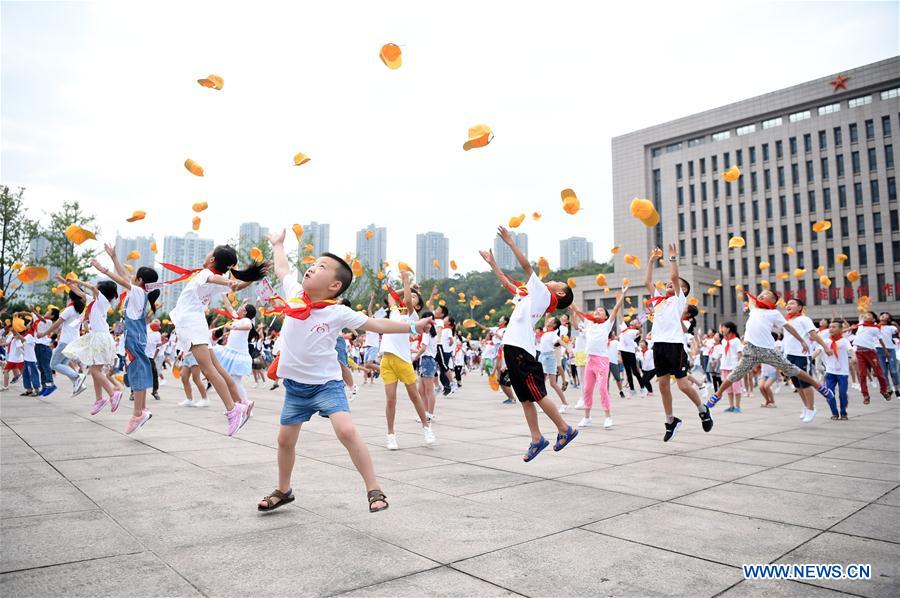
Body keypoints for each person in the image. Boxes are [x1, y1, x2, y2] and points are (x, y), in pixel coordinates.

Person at [256, 229, 435, 513]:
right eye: (314, 264)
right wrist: (278, 244)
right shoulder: (295, 295)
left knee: (346, 430)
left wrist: (412, 326)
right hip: (296, 387)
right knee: (284, 440)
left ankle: (374, 488)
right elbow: (282, 268)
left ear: (334, 285)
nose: (311, 267)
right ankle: (283, 490)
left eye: (321, 267)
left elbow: (377, 324)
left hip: (326, 385)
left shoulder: (337, 312)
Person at [479, 225, 577, 462]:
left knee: (538, 395)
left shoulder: (544, 294)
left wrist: (511, 243)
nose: (553, 279)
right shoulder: (531, 296)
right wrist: (493, 263)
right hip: (513, 348)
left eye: (557, 282)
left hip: (521, 350)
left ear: (560, 294)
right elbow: (507, 284)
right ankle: (536, 439)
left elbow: (526, 267)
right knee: (525, 398)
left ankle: (565, 429)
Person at [166, 245, 269, 435]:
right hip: (197, 324)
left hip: (192, 324)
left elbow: (215, 278)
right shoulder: (215, 277)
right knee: (217, 369)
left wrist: (230, 281)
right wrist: (252, 276)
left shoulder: (206, 274)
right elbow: (236, 286)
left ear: (212, 259)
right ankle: (240, 403)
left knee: (209, 370)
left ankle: (233, 410)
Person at [707, 289, 835, 409]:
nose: (762, 294)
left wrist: (801, 340)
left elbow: (788, 327)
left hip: (768, 350)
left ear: (773, 300)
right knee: (735, 374)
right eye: (761, 293)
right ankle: (718, 394)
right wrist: (747, 295)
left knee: (792, 369)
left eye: (766, 293)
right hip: (750, 351)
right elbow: (751, 299)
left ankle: (819, 387)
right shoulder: (754, 309)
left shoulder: (774, 313)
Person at [644, 245, 713, 442]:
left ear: (682, 290)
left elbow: (674, 276)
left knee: (683, 385)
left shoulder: (678, 299)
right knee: (663, 386)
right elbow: (647, 282)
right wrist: (651, 261)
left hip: (674, 346)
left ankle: (702, 409)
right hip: (658, 346)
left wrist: (673, 258)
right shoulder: (658, 300)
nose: (669, 284)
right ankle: (670, 420)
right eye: (667, 284)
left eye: (673, 284)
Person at [91, 246, 159, 433]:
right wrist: (114, 257)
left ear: (140, 280)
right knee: (140, 371)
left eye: (135, 276)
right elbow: (124, 275)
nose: (131, 277)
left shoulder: (137, 292)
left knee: (137, 372)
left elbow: (121, 279)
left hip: (134, 338)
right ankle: (142, 409)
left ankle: (138, 413)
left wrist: (103, 269)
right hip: (137, 337)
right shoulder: (139, 292)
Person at [379, 270, 435, 450]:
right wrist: (409, 287)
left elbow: (409, 301)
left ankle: (426, 427)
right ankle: (390, 435)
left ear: (418, 306)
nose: (411, 297)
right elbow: (390, 296)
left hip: (403, 360)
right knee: (390, 400)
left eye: (416, 297)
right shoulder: (394, 311)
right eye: (411, 294)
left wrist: (405, 280)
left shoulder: (412, 317)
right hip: (387, 359)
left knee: (415, 396)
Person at [63, 277, 122, 414]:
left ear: (102, 291)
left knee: (95, 371)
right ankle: (99, 399)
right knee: (95, 371)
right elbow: (80, 293)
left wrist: (77, 281)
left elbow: (92, 288)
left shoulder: (103, 301)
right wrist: (69, 284)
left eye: (98, 287)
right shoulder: (93, 301)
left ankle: (113, 394)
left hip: (101, 338)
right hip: (97, 337)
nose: (95, 288)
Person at [570, 288, 626, 429]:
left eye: (601, 311)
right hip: (590, 360)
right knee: (587, 389)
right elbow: (577, 310)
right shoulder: (588, 323)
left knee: (602, 388)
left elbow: (615, 309)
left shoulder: (606, 325)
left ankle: (607, 417)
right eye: (596, 310)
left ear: (606, 317)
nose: (597, 312)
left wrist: (623, 294)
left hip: (602, 361)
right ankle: (586, 417)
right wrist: (569, 298)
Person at [36, 283, 88, 395]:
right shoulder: (81, 310)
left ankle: (77, 377)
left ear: (70, 297)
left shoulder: (69, 309)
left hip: (65, 341)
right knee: (63, 364)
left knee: (53, 364)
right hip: (74, 341)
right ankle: (78, 383)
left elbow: (56, 324)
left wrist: (44, 333)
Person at [213, 301, 257, 404]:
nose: (239, 307)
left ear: (245, 312)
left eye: (242, 307)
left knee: (235, 381)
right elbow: (229, 307)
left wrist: (233, 327)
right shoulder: (238, 319)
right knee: (232, 381)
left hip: (238, 355)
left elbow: (249, 326)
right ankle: (241, 404)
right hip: (231, 352)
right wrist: (223, 294)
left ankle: (246, 403)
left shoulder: (246, 320)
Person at [851, 311, 893, 404]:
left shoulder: (875, 328)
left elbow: (881, 340)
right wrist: (862, 309)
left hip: (870, 352)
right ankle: (865, 395)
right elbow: (861, 316)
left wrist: (886, 351)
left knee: (879, 373)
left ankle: (883, 390)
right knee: (862, 375)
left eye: (869, 315)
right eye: (865, 315)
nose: (866, 316)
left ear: (874, 319)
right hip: (859, 353)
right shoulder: (861, 325)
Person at [815, 320, 851, 420]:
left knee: (842, 393)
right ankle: (834, 413)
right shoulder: (826, 341)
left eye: (834, 327)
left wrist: (854, 357)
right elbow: (818, 350)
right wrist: (809, 359)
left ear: (841, 329)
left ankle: (843, 413)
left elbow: (851, 350)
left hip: (842, 372)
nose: (831, 329)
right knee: (829, 393)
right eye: (830, 327)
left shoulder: (844, 341)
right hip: (830, 372)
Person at [537, 316, 569, 412]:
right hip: (542, 357)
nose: (548, 320)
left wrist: (568, 349)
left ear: (554, 324)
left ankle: (565, 403)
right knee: (541, 382)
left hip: (550, 358)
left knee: (553, 383)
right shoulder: (546, 332)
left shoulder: (553, 334)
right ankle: (544, 404)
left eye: (551, 320)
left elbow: (560, 341)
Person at [415, 310, 439, 420]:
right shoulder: (431, 333)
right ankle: (425, 413)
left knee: (428, 390)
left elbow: (423, 348)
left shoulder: (426, 333)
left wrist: (415, 357)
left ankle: (430, 414)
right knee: (421, 390)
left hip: (427, 360)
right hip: (426, 360)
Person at [718, 321, 744, 413]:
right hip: (725, 366)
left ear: (728, 329)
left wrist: (740, 366)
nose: (722, 330)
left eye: (723, 328)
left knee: (736, 387)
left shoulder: (736, 340)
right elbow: (722, 353)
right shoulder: (724, 340)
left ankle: (738, 406)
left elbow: (740, 353)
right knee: (728, 388)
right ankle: (731, 406)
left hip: (734, 367)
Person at [31, 306, 56, 395]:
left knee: (45, 367)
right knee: (41, 367)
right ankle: (44, 386)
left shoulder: (49, 321)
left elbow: (42, 319)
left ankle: (51, 384)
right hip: (38, 345)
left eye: (49, 311)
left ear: (52, 316)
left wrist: (34, 311)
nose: (47, 311)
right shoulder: (39, 320)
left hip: (44, 347)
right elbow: (35, 317)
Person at [618, 321, 644, 396]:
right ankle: (632, 389)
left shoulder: (634, 331)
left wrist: (639, 327)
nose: (633, 321)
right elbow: (620, 319)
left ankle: (642, 387)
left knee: (635, 371)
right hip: (623, 351)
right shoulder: (625, 329)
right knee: (628, 371)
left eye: (636, 321)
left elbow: (640, 332)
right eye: (634, 320)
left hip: (630, 352)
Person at [876, 312, 899, 398]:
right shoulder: (875, 326)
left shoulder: (891, 327)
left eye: (885, 315)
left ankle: (897, 388)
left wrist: (896, 324)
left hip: (890, 349)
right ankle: (888, 388)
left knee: (893, 370)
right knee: (883, 371)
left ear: (888, 318)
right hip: (879, 349)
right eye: (882, 314)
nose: (883, 315)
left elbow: (898, 331)